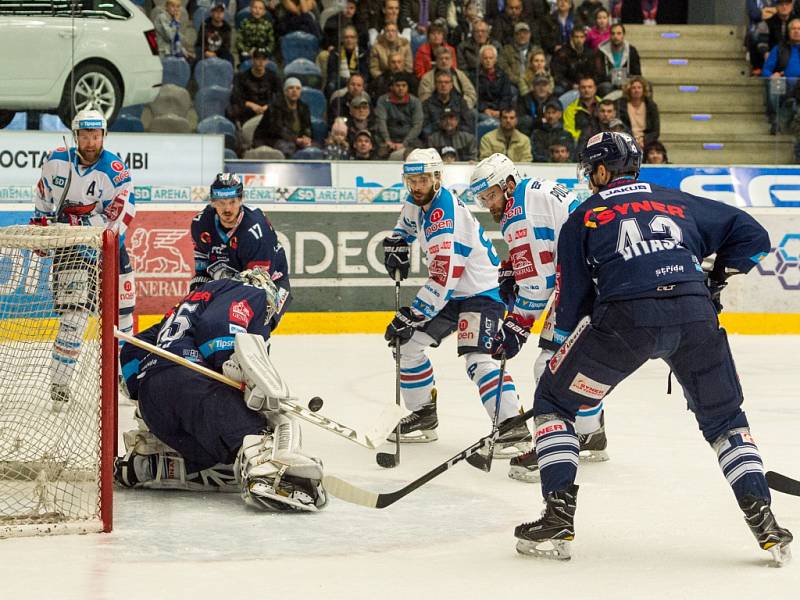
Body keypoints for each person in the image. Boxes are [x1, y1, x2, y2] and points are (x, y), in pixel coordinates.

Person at [513, 131, 793, 566]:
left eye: (591, 170)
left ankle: (558, 516)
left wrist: (555, 350)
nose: (589, 179)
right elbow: (754, 237)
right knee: (725, 419)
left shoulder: (584, 216)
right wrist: (715, 279)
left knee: (553, 401)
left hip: (625, 321)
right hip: (695, 316)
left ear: (603, 171)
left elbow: (571, 301)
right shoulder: (677, 200)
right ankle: (763, 517)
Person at [116, 271, 327, 512]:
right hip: (193, 386)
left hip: (154, 405)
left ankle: (151, 465)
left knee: (225, 456)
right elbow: (217, 330)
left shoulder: (189, 303)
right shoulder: (250, 291)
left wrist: (137, 388)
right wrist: (236, 369)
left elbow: (133, 348)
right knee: (260, 434)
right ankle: (271, 478)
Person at [469, 153, 608, 483]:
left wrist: (516, 326)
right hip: (589, 279)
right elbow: (546, 254)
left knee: (550, 365)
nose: (488, 204)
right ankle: (590, 433)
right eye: (483, 198)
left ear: (508, 184)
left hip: (583, 284)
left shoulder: (519, 210)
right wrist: (512, 269)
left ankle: (554, 445)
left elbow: (538, 283)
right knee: (565, 362)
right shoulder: (533, 190)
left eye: (491, 195)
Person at [381, 148, 530, 455]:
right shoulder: (416, 200)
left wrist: (413, 314)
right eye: (412, 180)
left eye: (423, 179)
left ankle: (513, 428)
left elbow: (443, 277)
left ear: (438, 178)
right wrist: (397, 241)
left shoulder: (443, 213)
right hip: (450, 297)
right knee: (406, 346)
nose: (417, 186)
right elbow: (405, 229)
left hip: (481, 293)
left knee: (479, 360)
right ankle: (424, 415)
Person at [33, 109, 136, 411]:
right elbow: (42, 196)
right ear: (76, 135)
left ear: (104, 135)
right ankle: (60, 385)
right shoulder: (56, 161)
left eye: (96, 135)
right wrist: (41, 228)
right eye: (85, 135)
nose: (91, 142)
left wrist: (82, 227)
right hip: (70, 248)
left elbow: (121, 216)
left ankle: (125, 378)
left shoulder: (116, 170)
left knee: (124, 318)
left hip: (109, 250)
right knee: (74, 318)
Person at [190, 173, 290, 328]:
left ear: (241, 199)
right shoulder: (201, 224)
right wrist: (198, 292)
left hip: (271, 284)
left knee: (257, 324)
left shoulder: (256, 230)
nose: (227, 209)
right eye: (221, 203)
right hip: (229, 279)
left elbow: (259, 284)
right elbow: (202, 264)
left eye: (232, 202)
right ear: (213, 202)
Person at [252, 77, 313, 158]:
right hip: (271, 140)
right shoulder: (275, 107)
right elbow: (277, 130)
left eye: (298, 88)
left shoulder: (303, 107)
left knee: (313, 148)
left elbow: (307, 126)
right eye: (291, 88)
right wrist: (296, 140)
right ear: (285, 92)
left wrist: (306, 138)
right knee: (288, 148)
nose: (294, 91)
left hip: (294, 141)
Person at [374, 72, 424, 159]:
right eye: (397, 85)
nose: (401, 88)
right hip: (388, 140)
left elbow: (417, 125)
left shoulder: (415, 102)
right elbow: (381, 121)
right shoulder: (383, 100)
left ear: (408, 87)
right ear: (392, 87)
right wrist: (387, 140)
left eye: (404, 85)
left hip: (410, 141)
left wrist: (404, 143)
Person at [227, 48, 281, 127]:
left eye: (264, 59)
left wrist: (268, 106)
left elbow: (280, 95)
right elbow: (235, 96)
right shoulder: (241, 77)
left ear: (267, 61)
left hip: (267, 108)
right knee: (231, 110)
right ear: (252, 60)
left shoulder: (273, 77)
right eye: (257, 58)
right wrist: (251, 105)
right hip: (248, 108)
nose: (261, 62)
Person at [597, 23, 642, 96]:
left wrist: (626, 81)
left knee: (645, 86)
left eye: (619, 33)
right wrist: (615, 80)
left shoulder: (632, 51)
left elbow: (637, 73)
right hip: (608, 82)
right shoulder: (601, 52)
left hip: (627, 82)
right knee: (605, 87)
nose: (615, 36)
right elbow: (599, 75)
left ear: (623, 35)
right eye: (613, 33)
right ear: (610, 35)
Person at [616, 75, 660, 147]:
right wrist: (632, 140)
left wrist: (644, 140)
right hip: (627, 139)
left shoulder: (651, 106)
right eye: (633, 88)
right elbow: (621, 126)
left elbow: (655, 131)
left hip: (646, 141)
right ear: (629, 90)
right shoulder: (621, 105)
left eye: (639, 88)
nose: (636, 90)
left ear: (643, 90)